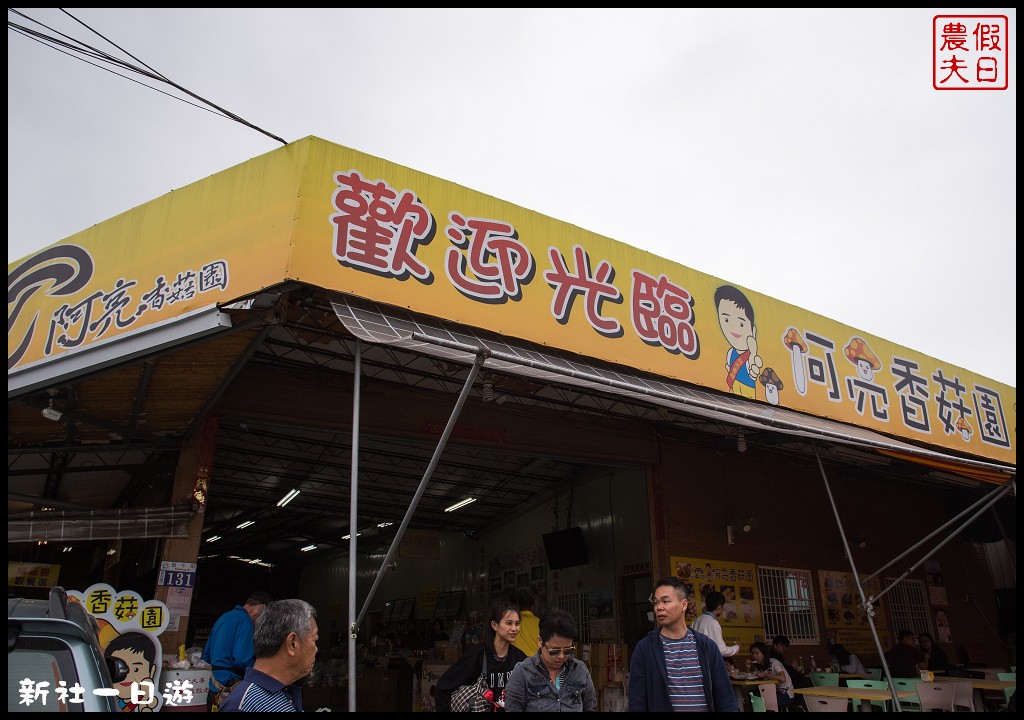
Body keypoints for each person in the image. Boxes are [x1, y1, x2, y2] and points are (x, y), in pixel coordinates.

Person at [628, 577, 738, 712]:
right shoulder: (645, 648)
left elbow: (725, 698)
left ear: (684, 604)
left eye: (666, 601)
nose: (659, 607)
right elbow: (637, 700)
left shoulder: (707, 646)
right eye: (656, 603)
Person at [218, 599, 319, 712]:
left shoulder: (284, 693)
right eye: (314, 639)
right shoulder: (242, 707)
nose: (316, 649)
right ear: (292, 643)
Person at [435, 600, 529, 712]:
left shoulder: (520, 658)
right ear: (495, 625)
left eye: (517, 624)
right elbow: (443, 686)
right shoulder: (476, 655)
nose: (514, 629)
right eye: (509, 623)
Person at [505, 607, 597, 711]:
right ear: (540, 641)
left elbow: (589, 707)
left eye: (568, 650)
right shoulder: (523, 672)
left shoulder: (580, 670)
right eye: (555, 651)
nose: (561, 656)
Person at [202, 590, 273, 710]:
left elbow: (206, 656)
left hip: (213, 690)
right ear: (262, 607)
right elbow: (242, 660)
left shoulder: (224, 617)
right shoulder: (245, 621)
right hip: (230, 690)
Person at [714, 284, 763, 398]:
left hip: (749, 395)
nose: (733, 328)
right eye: (726, 320)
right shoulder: (730, 353)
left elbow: (755, 365)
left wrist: (754, 356)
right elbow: (728, 367)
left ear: (752, 330)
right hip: (733, 391)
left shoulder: (751, 356)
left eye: (741, 324)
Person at [104, 630, 161, 711]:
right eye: (119, 668)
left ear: (151, 672)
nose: (127, 675)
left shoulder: (146, 699)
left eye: (136, 669)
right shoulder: (108, 701)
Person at [690, 590, 740, 658]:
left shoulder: (696, 621)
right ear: (719, 608)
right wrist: (737, 647)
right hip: (707, 664)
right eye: (722, 607)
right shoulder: (713, 623)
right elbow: (721, 650)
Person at [750, 640, 796, 710]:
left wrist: (766, 675)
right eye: (753, 654)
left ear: (764, 654)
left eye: (757, 653)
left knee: (762, 700)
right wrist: (747, 668)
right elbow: (752, 677)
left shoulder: (774, 662)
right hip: (770, 692)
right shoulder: (758, 666)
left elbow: (783, 679)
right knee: (752, 695)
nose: (754, 656)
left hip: (785, 694)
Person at [511, 589, 541, 658]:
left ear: (519, 607)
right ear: (532, 607)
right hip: (535, 660)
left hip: (517, 660)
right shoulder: (539, 622)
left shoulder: (514, 622)